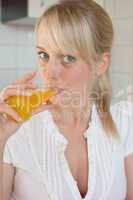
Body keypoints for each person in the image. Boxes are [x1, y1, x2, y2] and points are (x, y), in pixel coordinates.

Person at [0, 0, 133, 199]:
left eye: (68, 58)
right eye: (43, 54)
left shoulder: (124, 122)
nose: (49, 73)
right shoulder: (16, 129)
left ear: (101, 64)